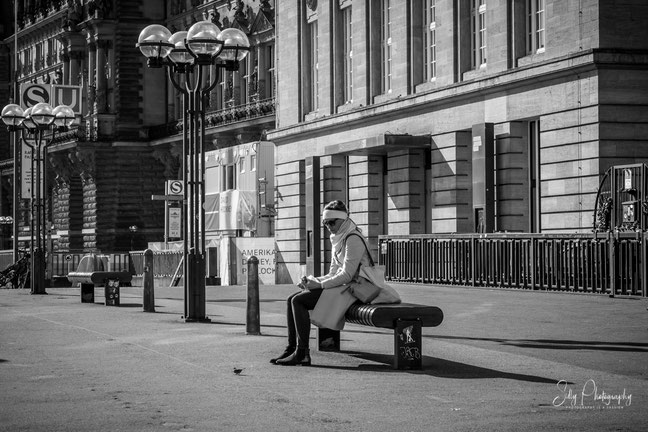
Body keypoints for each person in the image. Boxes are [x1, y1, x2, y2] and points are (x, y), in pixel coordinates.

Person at [271, 200, 372, 366]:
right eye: (326, 223)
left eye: (332, 222)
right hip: (345, 287)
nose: (329, 227)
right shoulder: (338, 238)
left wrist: (319, 285)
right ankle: (292, 349)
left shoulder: (353, 239)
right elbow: (333, 273)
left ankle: (302, 352)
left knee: (299, 301)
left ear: (344, 219)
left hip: (357, 290)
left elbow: (347, 275)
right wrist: (313, 281)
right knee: (291, 299)